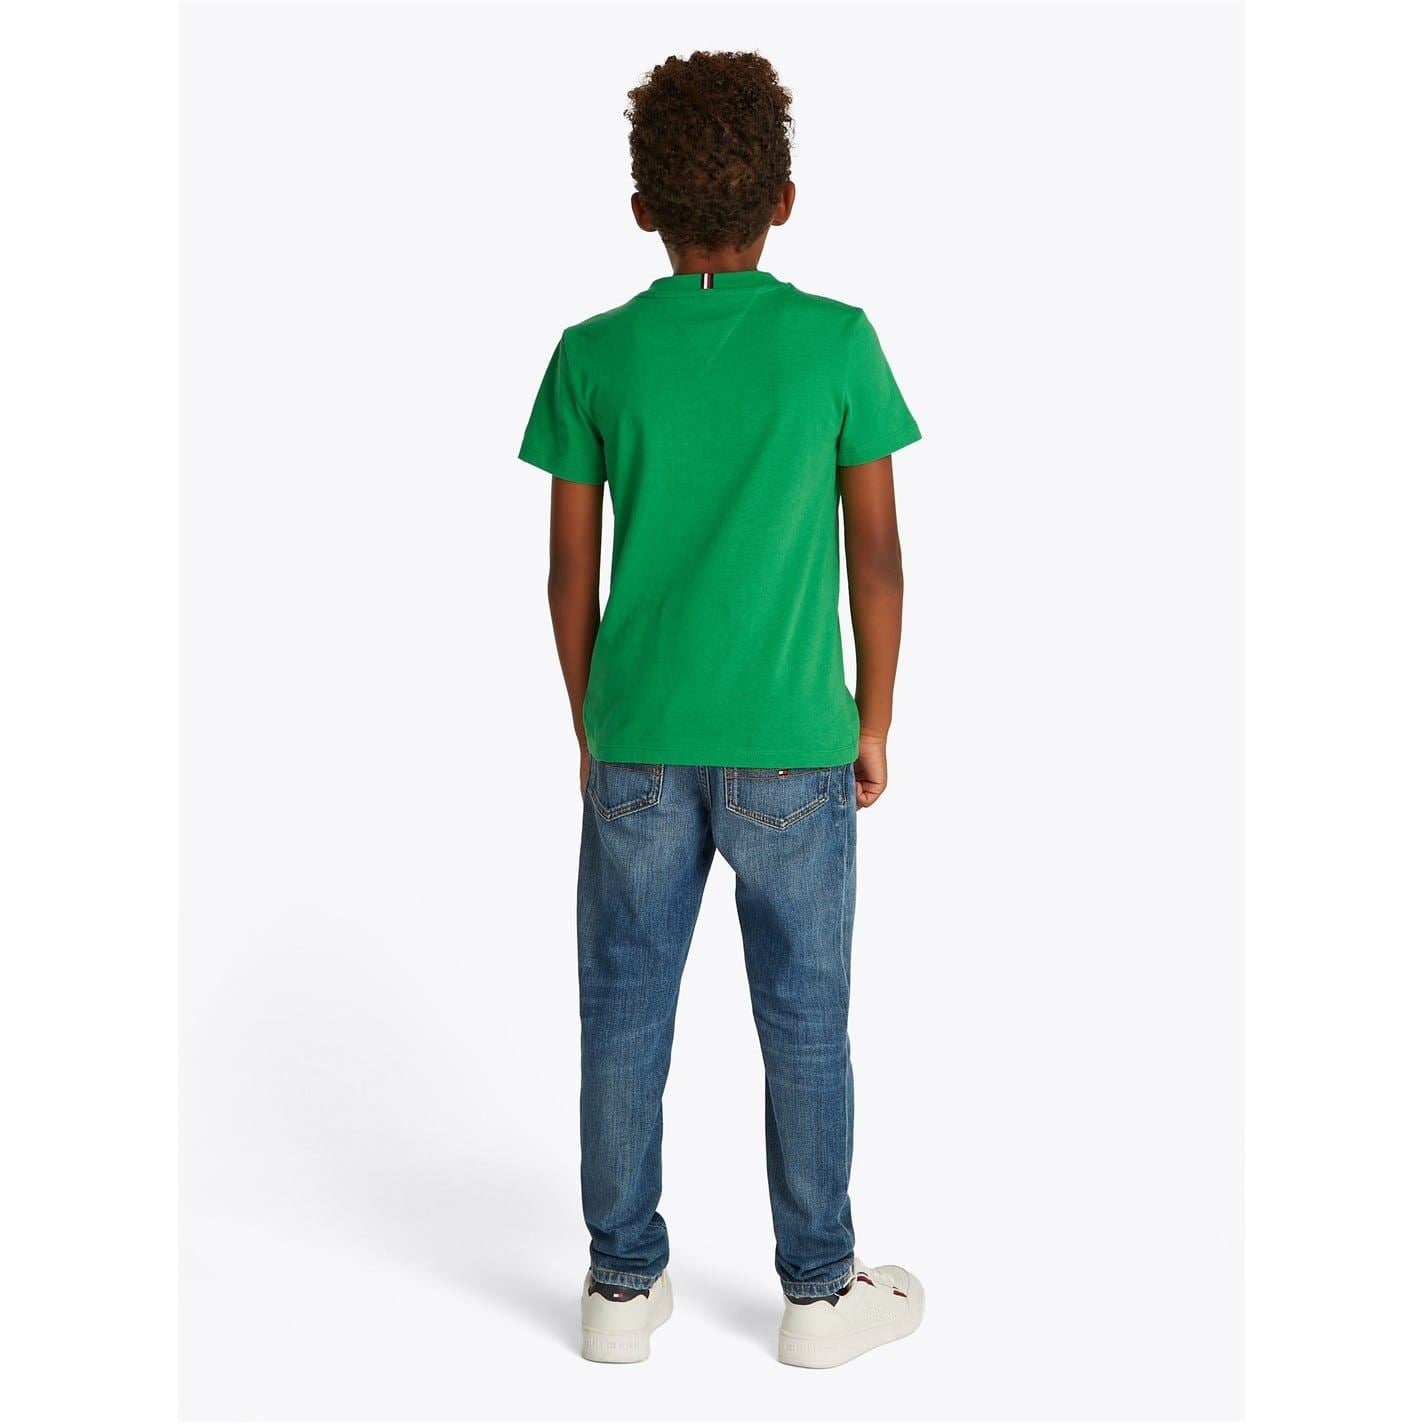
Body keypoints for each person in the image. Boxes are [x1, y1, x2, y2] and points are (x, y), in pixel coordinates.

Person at [519, 50, 923, 1369]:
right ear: (784, 201)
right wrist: (873, 719)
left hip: (637, 741)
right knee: (804, 1017)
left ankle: (618, 1286)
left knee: (623, 1008)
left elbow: (568, 574)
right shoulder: (835, 342)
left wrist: (592, 723)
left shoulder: (592, 355)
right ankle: (818, 1292)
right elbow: (877, 557)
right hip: (795, 746)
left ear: (642, 206)